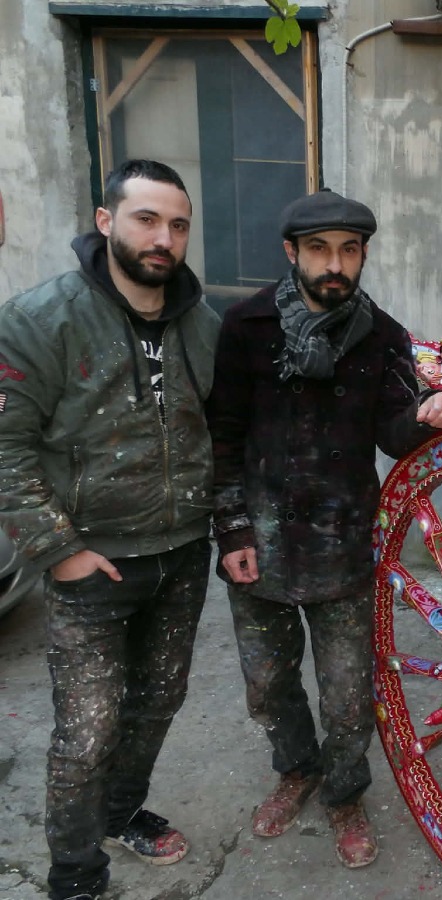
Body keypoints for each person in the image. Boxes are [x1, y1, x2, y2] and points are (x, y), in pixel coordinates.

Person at [205, 188, 442, 868]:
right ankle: (296, 771)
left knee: (349, 693)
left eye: (349, 250)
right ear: (291, 252)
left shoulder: (383, 336)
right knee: (268, 681)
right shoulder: (246, 326)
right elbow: (222, 438)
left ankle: (344, 793)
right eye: (319, 249)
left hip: (344, 543)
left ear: (364, 255)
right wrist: (232, 533)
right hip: (258, 542)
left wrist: (425, 418)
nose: (334, 264)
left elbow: (394, 435)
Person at [0, 159, 219, 900]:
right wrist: (58, 552)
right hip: (91, 565)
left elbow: (226, 427)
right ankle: (75, 877)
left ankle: (122, 813)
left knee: (159, 702)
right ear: (106, 222)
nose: (163, 238)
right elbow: (5, 446)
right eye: (146, 219)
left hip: (182, 554)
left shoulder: (202, 322)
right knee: (86, 732)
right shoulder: (40, 319)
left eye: (177, 224)